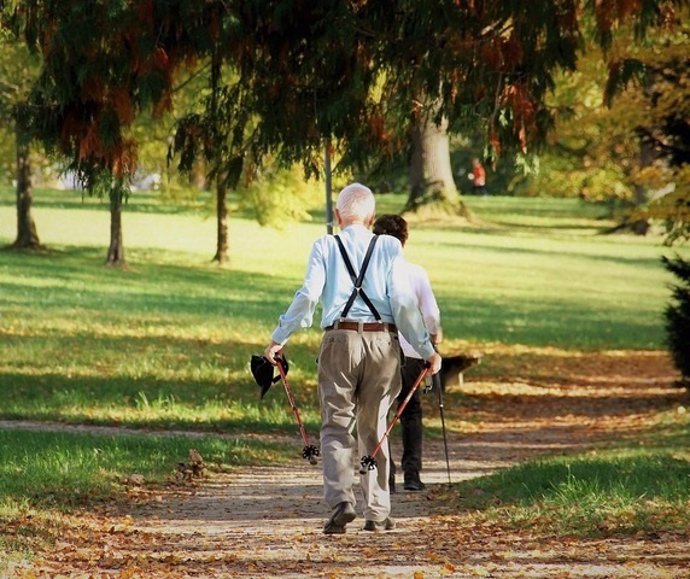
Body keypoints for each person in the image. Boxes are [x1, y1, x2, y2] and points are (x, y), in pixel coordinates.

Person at [263, 183, 442, 535]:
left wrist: (278, 338)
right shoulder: (389, 247)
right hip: (382, 342)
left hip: (339, 340)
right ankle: (378, 511)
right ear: (371, 218)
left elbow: (308, 296)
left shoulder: (325, 245)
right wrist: (426, 349)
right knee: (375, 426)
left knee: (335, 425)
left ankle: (342, 501)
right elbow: (404, 305)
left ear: (337, 216)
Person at [373, 215, 442, 493]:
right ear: (405, 240)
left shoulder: (372, 274)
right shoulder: (415, 272)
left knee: (380, 411)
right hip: (413, 350)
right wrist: (433, 341)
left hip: (380, 348)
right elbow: (430, 314)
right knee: (411, 411)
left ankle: (385, 476)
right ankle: (412, 474)